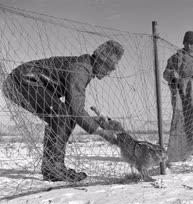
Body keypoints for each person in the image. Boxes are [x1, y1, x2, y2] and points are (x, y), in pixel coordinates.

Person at [2, 40, 124, 182]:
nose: (109, 72)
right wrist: (101, 131)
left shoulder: (85, 68)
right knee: (62, 115)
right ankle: (54, 169)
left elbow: (74, 109)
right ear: (101, 61)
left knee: (65, 115)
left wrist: (96, 121)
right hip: (21, 82)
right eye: (109, 67)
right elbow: (75, 110)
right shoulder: (81, 70)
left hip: (24, 81)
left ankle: (53, 167)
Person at [163, 31, 193, 161]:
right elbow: (166, 73)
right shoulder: (176, 58)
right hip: (182, 96)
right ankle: (183, 150)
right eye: (188, 42)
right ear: (184, 43)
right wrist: (172, 75)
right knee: (182, 121)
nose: (191, 46)